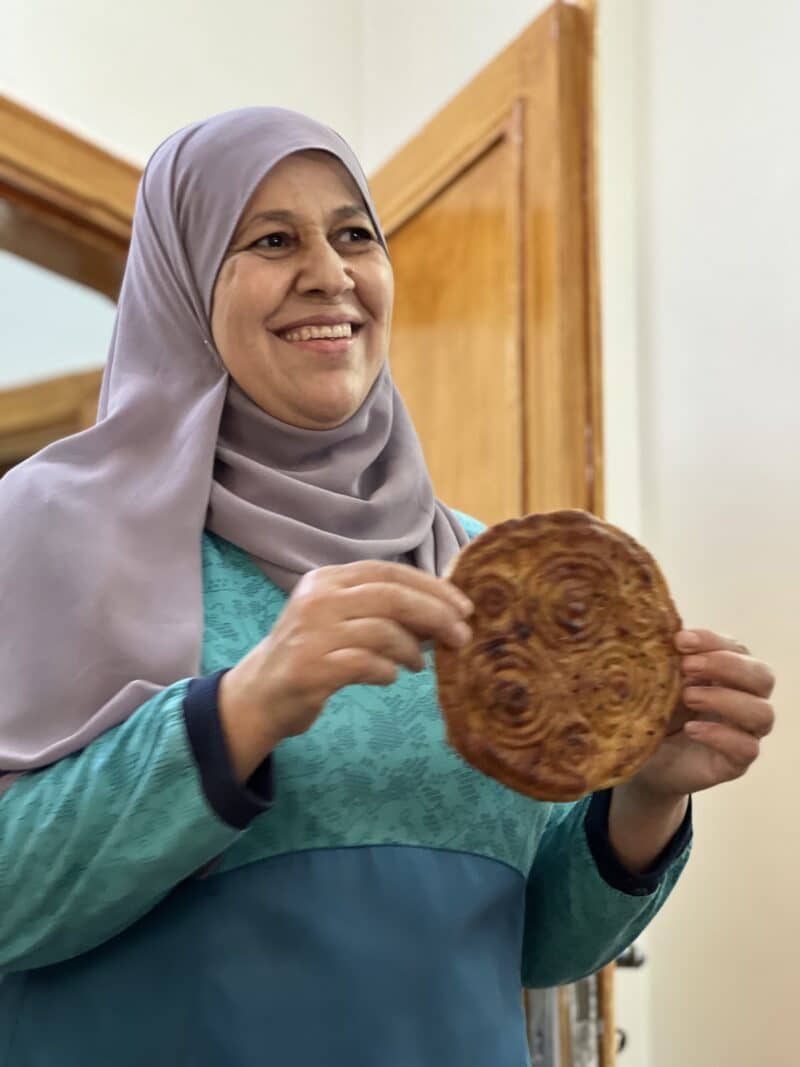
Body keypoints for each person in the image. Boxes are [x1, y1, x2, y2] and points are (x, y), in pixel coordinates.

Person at [0, 107, 775, 1067]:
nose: (330, 271)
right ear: (183, 281)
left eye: (356, 233)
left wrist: (648, 797)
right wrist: (240, 709)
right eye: (273, 238)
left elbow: (529, 947)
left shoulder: (476, 571)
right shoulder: (51, 527)